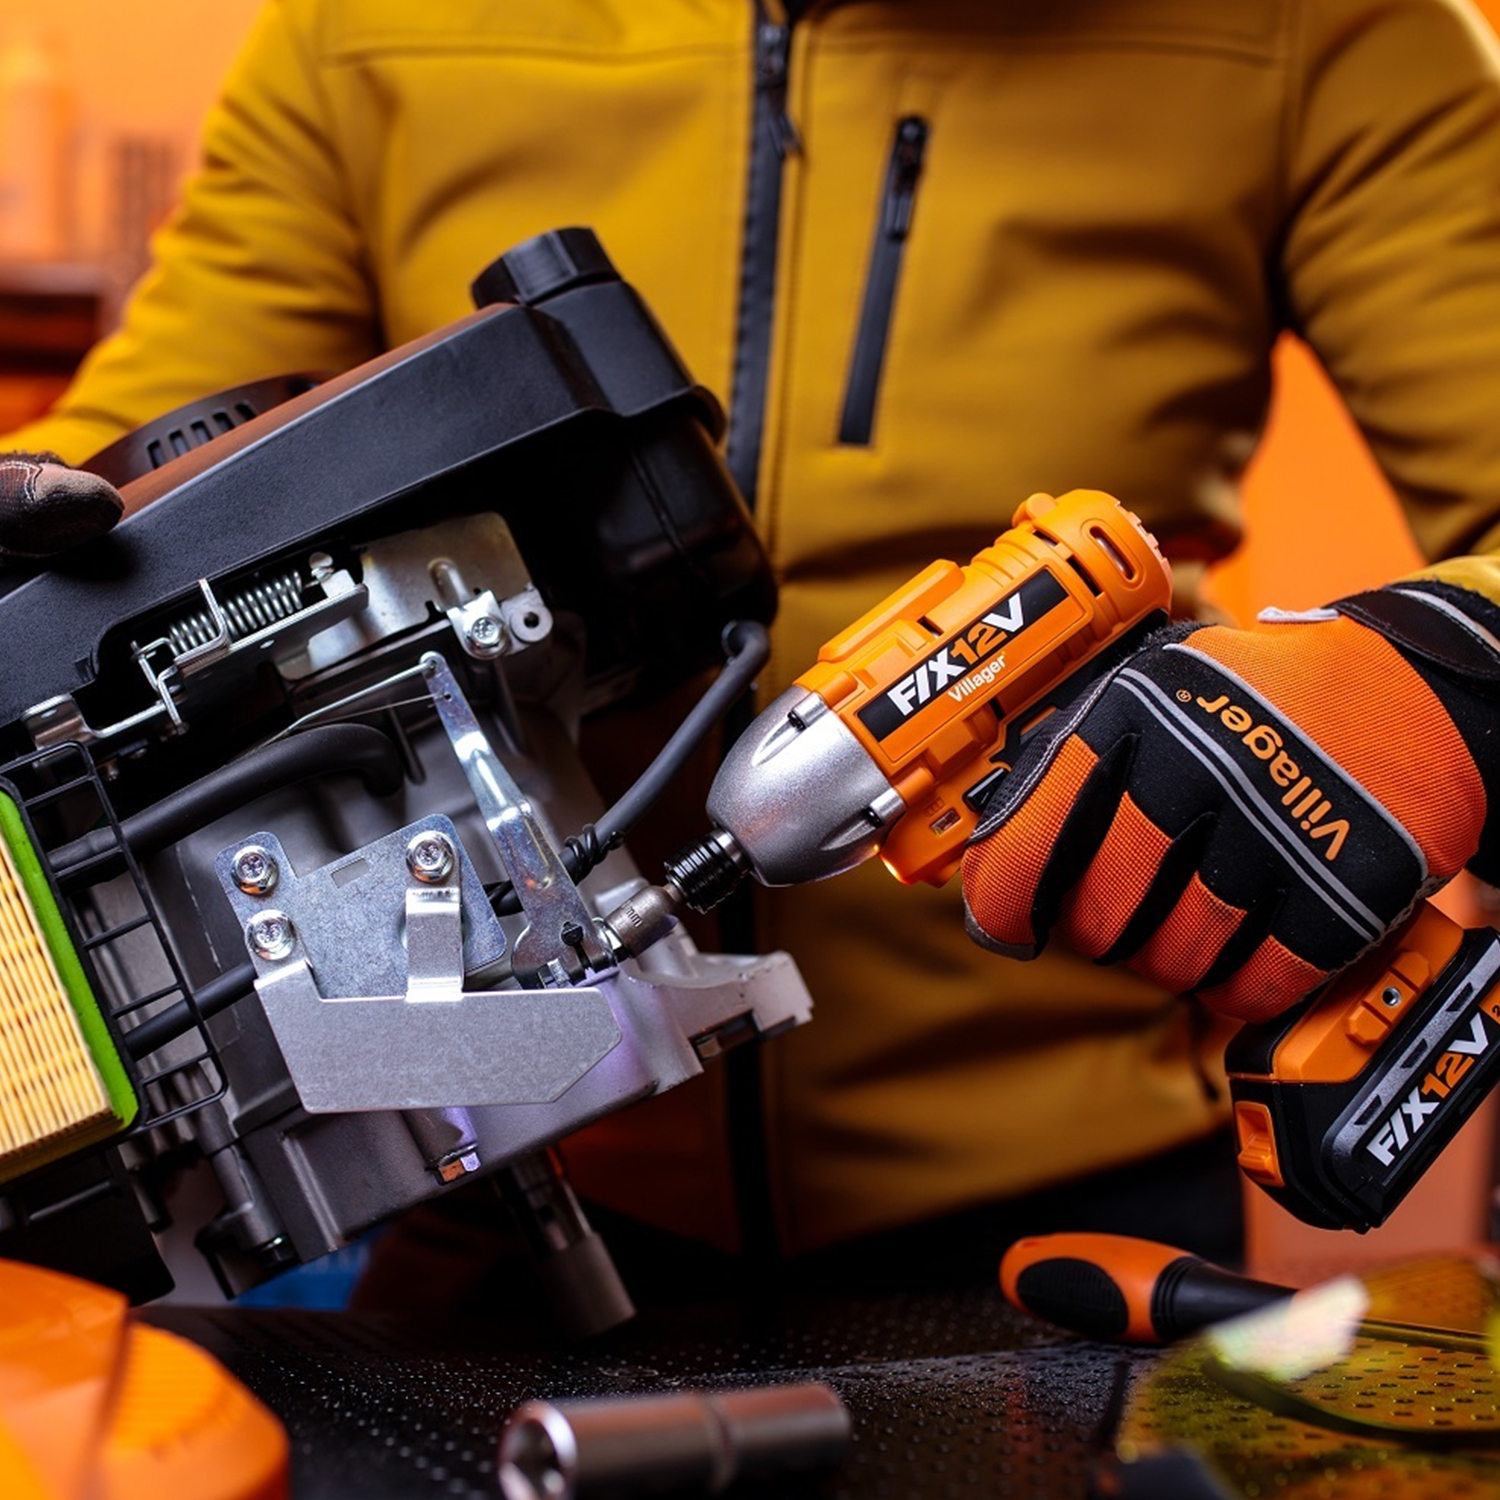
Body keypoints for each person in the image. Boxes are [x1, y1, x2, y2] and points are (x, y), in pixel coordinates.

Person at [7, 0, 1500, 1285]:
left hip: (1057, 1213)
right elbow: (129, 491)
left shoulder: (1332, 32)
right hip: (497, 1182)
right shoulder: (367, 26)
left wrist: (1441, 666)